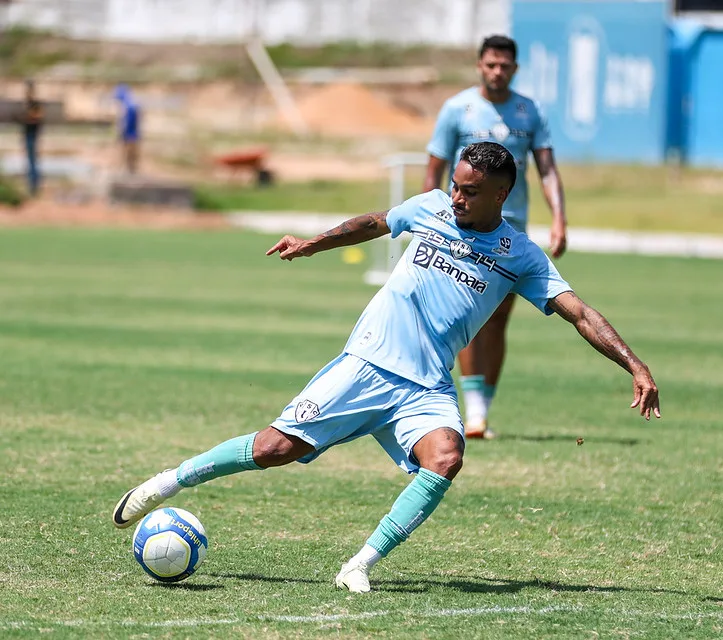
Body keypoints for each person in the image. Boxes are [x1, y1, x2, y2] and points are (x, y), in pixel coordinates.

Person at [112, 142, 660, 594]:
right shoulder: (431, 209)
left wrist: (634, 365)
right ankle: (168, 482)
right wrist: (313, 244)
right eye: (455, 186)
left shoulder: (521, 255)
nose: (457, 197)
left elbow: (580, 314)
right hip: (367, 365)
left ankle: (360, 563)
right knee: (273, 450)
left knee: (446, 457)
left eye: (470, 191)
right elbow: (375, 222)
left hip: (425, 387)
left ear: (501, 193)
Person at [424, 35, 567, 439]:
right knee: (470, 313)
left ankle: (483, 404)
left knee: (499, 318)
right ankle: (474, 413)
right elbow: (433, 168)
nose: (497, 71)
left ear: (515, 69)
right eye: (490, 64)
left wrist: (559, 218)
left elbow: (548, 169)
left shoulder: (529, 111)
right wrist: (428, 217)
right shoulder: (457, 108)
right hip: (463, 227)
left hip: (513, 228)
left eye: (504, 65)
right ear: (479, 66)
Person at [18, 80, 44, 197]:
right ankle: (31, 185)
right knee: (29, 161)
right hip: (28, 134)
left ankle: (34, 186)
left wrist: (28, 116)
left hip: (32, 135)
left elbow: (38, 116)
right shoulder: (26, 103)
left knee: (33, 161)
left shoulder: (34, 103)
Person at [113, 84, 141, 174]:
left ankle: (129, 175)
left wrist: (121, 134)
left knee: (128, 157)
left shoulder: (129, 107)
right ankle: (129, 173)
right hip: (133, 135)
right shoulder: (132, 104)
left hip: (130, 136)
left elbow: (127, 123)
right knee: (130, 158)